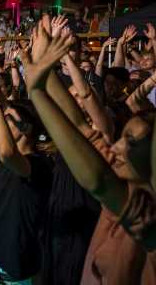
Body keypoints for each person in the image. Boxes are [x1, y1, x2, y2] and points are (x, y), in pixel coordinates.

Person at [21, 18, 156, 284]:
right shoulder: (118, 169)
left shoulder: (146, 214)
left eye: (131, 141)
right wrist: (39, 68)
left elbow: (98, 178)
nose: (117, 145)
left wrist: (37, 89)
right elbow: (80, 125)